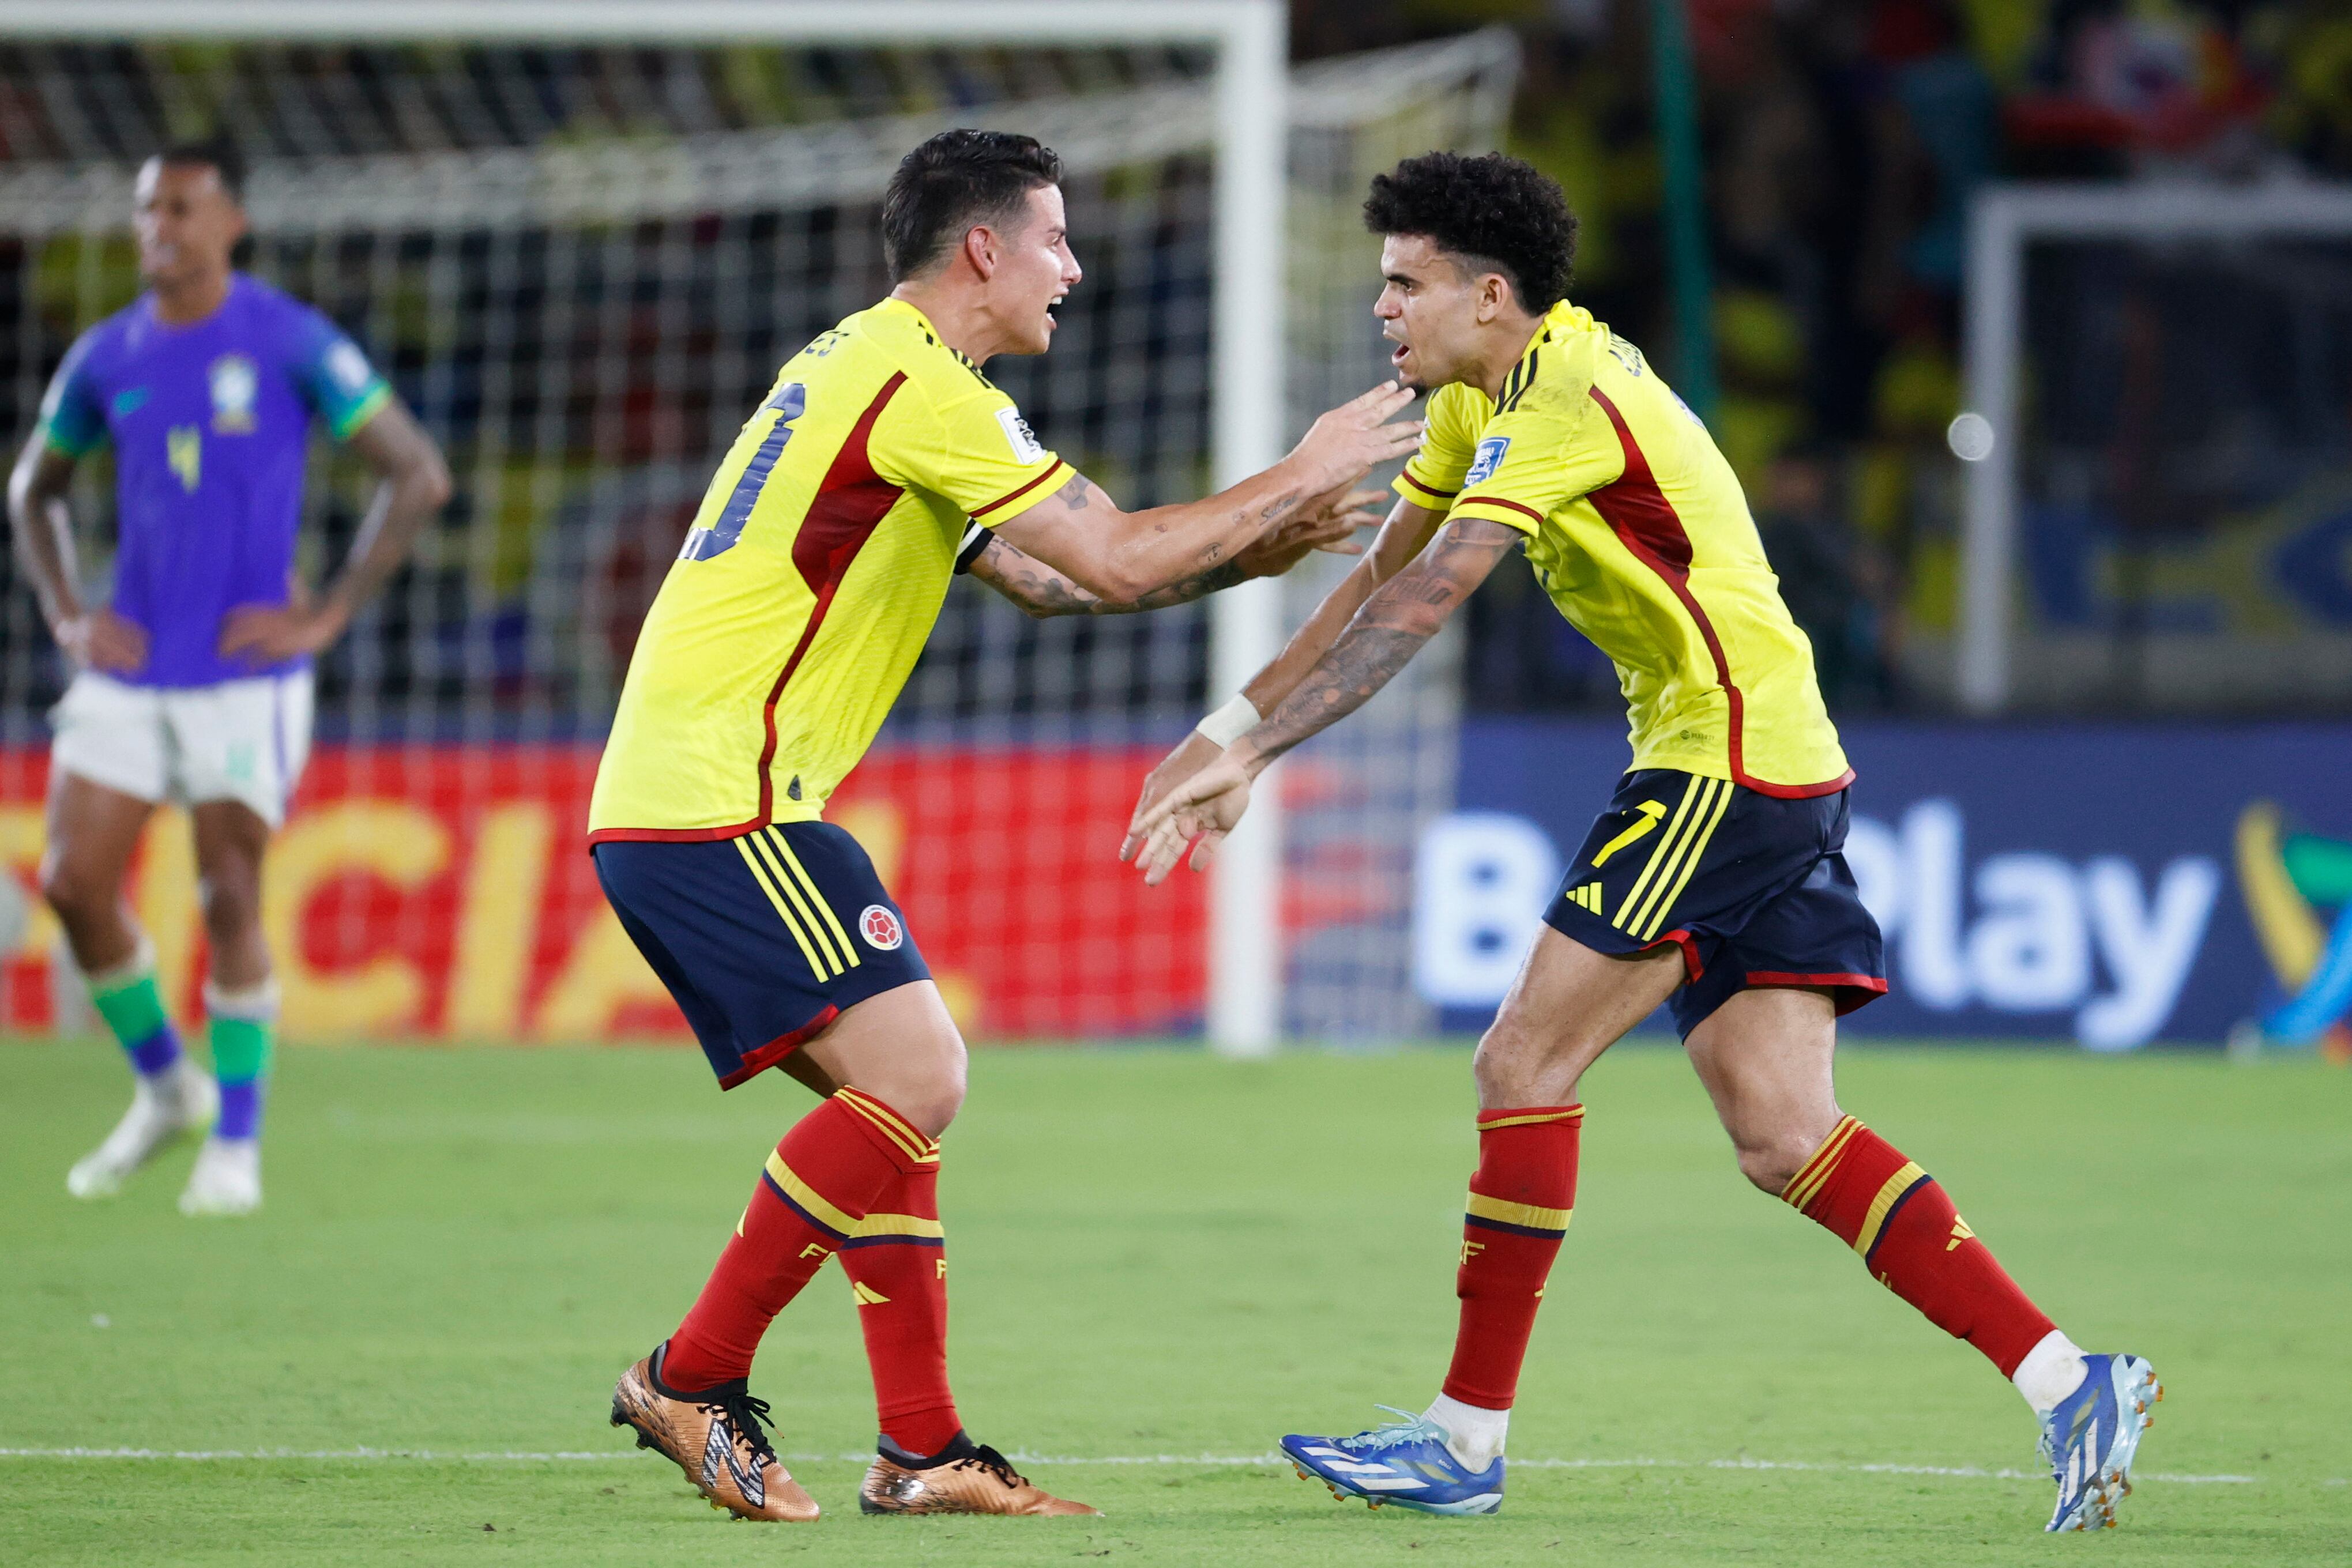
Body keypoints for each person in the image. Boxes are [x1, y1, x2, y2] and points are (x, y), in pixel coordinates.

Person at [1127, 150, 2157, 1534]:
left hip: (1717, 769)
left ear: (1491, 296)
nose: (1384, 308)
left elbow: (1430, 600)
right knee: (1787, 1136)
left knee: (1522, 1058)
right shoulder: (1484, 397)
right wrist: (1227, 726)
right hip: (1773, 763)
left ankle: (1464, 1439)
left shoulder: (1566, 399)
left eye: (1405, 282)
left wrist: (1258, 752)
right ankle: (2070, 1380)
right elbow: (1379, 571)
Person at [589, 128, 1415, 1524]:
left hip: (713, 798)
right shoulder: (918, 384)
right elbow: (1112, 548)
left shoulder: (871, 371)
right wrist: (1296, 469)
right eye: (1054, 240)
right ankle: (691, 1373)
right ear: (983, 249)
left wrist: (1259, 552)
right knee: (920, 1077)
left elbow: (1055, 586)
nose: (1075, 270)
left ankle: (923, 1448)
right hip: (717, 800)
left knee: (897, 1107)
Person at [8, 138, 450, 1218]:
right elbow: (34, 491)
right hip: (132, 662)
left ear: (232, 223)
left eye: (184, 208)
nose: (161, 227)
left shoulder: (290, 339)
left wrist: (328, 611)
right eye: (148, 209)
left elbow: (418, 472)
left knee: (230, 890)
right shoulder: (107, 355)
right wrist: (69, 613)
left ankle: (237, 1143)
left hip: (246, 671)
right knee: (72, 882)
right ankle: (168, 1088)